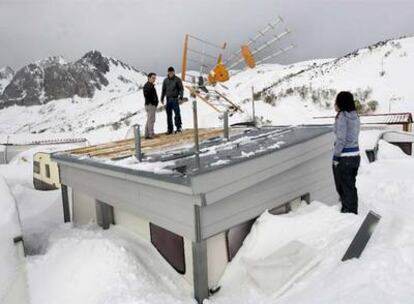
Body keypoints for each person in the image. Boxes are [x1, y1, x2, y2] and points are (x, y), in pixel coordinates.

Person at [332, 91, 361, 214]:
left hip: (344, 158)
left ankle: (349, 215)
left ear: (341, 103)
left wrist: (336, 157)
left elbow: (341, 139)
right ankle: (352, 213)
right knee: (350, 187)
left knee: (343, 188)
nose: (334, 104)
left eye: (336, 101)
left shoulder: (342, 116)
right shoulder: (356, 116)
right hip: (355, 157)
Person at [161, 66, 184, 134]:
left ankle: (179, 127)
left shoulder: (177, 79)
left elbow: (181, 89)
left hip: (175, 99)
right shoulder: (165, 80)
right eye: (169, 72)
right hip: (168, 100)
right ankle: (170, 129)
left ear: (174, 72)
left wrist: (181, 97)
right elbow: (163, 90)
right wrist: (162, 98)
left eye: (172, 72)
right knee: (168, 115)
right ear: (168, 72)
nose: (170, 73)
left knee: (177, 113)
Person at [143, 72, 159, 139]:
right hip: (150, 105)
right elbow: (146, 95)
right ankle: (151, 134)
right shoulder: (148, 86)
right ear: (149, 78)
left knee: (149, 119)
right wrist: (153, 102)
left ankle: (147, 134)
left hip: (150, 104)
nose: (154, 79)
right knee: (151, 119)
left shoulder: (150, 85)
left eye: (154, 78)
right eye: (153, 78)